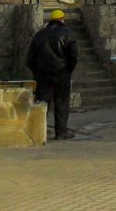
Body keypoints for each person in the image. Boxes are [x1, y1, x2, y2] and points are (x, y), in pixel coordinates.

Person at [27, 9, 78, 140]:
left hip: (42, 74)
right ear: (62, 19)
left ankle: (39, 131)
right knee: (61, 102)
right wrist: (68, 70)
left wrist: (36, 71)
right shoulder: (68, 33)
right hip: (61, 73)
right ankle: (61, 132)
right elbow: (73, 56)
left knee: (42, 102)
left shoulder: (39, 34)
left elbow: (30, 58)